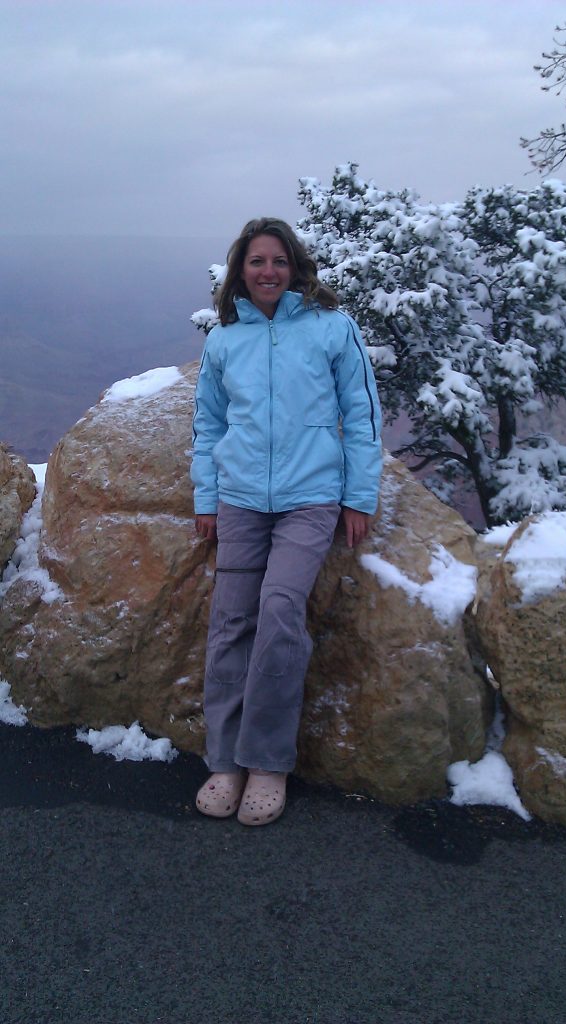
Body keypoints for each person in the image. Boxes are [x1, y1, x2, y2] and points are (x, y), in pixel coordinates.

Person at [191, 217, 382, 826]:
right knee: (229, 621)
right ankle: (225, 761)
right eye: (256, 262)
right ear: (240, 273)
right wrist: (206, 497)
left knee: (278, 613)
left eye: (278, 261)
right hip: (241, 497)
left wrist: (359, 497)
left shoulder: (333, 328)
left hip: (310, 497)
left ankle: (267, 761)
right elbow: (209, 426)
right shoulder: (224, 341)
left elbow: (362, 412)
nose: (268, 271)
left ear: (296, 267)